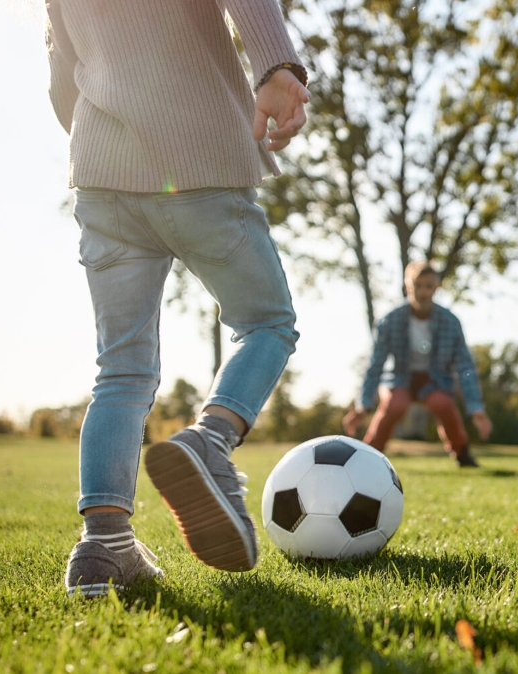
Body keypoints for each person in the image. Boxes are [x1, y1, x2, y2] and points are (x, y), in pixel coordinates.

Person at [46, 0, 311, 596]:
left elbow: (63, 76)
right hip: (197, 158)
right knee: (268, 322)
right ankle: (212, 438)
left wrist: (111, 138)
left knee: (120, 371)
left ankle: (102, 548)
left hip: (102, 178)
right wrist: (276, 67)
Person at [344, 262, 493, 466]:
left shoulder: (450, 322)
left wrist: (477, 409)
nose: (422, 292)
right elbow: (375, 365)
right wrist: (363, 405)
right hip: (398, 378)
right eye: (417, 285)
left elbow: (465, 367)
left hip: (433, 380)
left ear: (436, 288)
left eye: (428, 286)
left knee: (443, 403)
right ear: (408, 287)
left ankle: (462, 453)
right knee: (394, 405)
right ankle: (368, 456)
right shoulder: (389, 320)